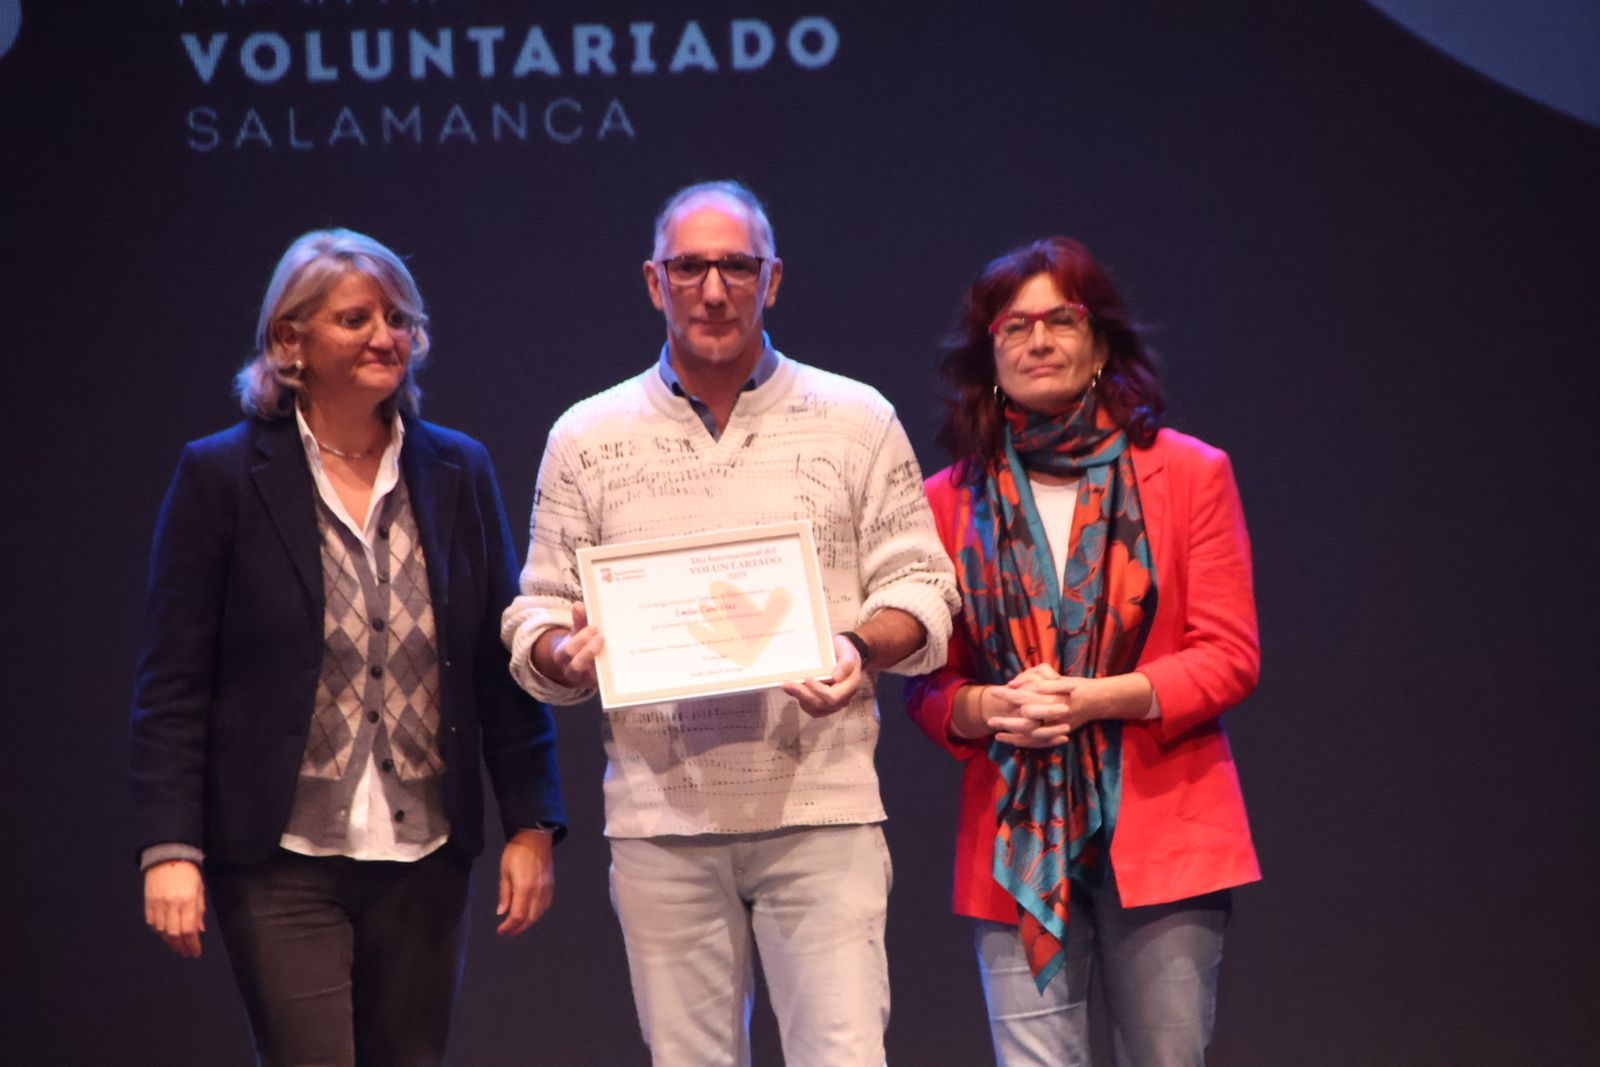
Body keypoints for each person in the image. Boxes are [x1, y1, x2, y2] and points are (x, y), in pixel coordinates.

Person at [501, 180, 958, 1067]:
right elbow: (539, 613)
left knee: (844, 1056)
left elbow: (923, 586)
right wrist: (568, 649)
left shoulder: (856, 420)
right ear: (652, 280)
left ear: (773, 278)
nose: (714, 288)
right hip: (661, 820)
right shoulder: (588, 436)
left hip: (821, 809)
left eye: (736, 266)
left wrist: (859, 648)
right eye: (690, 266)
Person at [131, 229, 566, 1067]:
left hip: (427, 853)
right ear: (290, 340)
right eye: (357, 317)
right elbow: (173, 683)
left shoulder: (457, 471)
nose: (385, 336)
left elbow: (496, 663)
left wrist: (533, 821)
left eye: (399, 318)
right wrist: (170, 848)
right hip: (279, 855)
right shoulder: (221, 475)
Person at [904, 237, 1261, 1066]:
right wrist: (990, 707)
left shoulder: (1190, 472)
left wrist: (1095, 698)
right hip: (1014, 838)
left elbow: (1229, 654)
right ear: (987, 354)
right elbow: (928, 685)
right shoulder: (947, 499)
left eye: (1061, 320)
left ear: (1100, 342)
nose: (1038, 340)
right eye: (1014, 325)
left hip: (1164, 828)